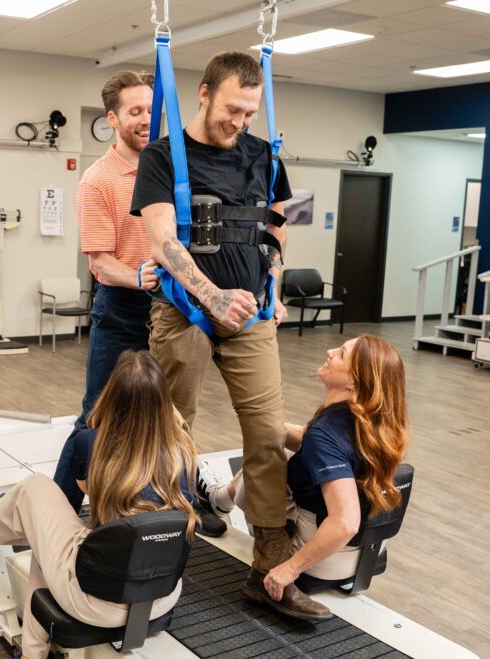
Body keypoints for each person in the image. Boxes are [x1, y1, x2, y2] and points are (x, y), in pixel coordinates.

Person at [130, 50, 327, 618]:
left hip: (253, 320)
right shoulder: (163, 157)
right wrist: (212, 297)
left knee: (267, 436)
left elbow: (282, 223)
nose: (240, 122)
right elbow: (163, 242)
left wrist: (275, 286)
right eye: (232, 109)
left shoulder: (265, 156)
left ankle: (269, 564)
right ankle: (155, 555)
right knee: (170, 434)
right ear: (204, 92)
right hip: (185, 314)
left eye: (249, 113)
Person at [0, 351, 199, 659]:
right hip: (162, 597)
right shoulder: (185, 453)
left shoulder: (90, 443)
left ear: (112, 396)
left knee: (36, 489)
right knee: (56, 543)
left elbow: (71, 493)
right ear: (164, 403)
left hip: (95, 603)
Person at [200, 335, 409, 618]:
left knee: (267, 462)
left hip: (313, 563)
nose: (329, 351)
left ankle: (216, 501)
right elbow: (312, 443)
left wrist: (288, 570)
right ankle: (218, 499)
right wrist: (262, 419)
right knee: (285, 454)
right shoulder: (373, 423)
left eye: (341, 353)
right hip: (359, 560)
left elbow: (346, 522)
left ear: (354, 382)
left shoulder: (327, 435)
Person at [52, 70, 159, 510]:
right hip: (122, 306)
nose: (146, 120)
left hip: (169, 308)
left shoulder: (169, 169)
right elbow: (99, 262)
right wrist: (138, 276)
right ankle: (56, 505)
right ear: (113, 119)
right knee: (98, 414)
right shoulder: (98, 181)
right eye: (135, 112)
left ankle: (153, 503)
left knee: (160, 415)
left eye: (152, 110)